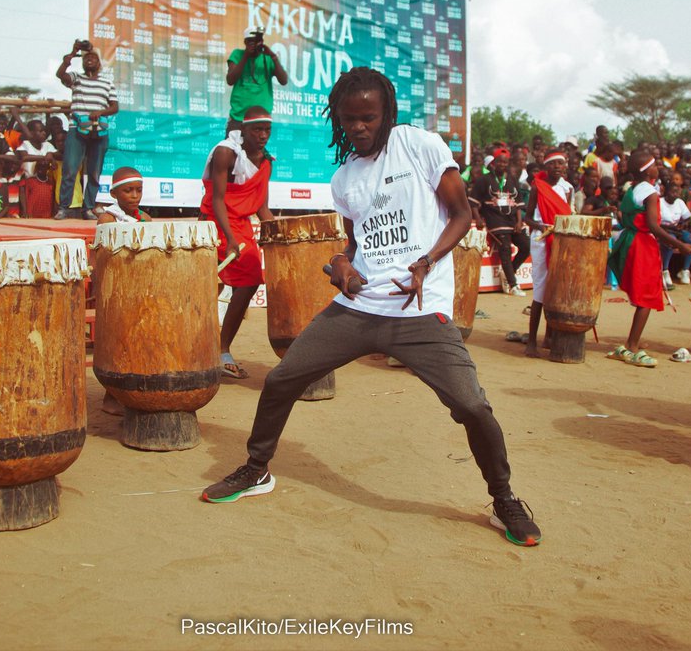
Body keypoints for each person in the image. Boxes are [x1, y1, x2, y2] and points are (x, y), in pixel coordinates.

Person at [200, 67, 542, 547]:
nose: (359, 127)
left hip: (421, 311)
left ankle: (504, 498)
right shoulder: (344, 178)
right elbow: (356, 241)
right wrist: (340, 263)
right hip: (359, 308)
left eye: (368, 118)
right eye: (349, 120)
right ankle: (257, 469)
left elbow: (462, 214)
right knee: (281, 380)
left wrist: (426, 262)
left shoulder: (418, 145)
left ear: (387, 115)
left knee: (471, 405)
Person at [200, 105, 274, 378]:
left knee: (251, 280)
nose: (263, 135)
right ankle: (211, 349)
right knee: (211, 285)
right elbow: (217, 199)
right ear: (243, 129)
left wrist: (280, 233)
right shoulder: (225, 152)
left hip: (240, 225)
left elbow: (262, 208)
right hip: (215, 221)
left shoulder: (266, 161)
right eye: (257, 129)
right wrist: (229, 239)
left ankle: (220, 348)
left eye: (267, 129)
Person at [606, 149, 691, 368]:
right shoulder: (650, 192)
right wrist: (679, 244)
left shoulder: (633, 189)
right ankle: (632, 346)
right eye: (655, 164)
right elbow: (654, 225)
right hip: (642, 244)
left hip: (631, 241)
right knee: (646, 296)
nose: (659, 167)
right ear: (647, 170)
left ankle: (631, 343)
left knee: (642, 295)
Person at [55, 40, 119, 219]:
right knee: (70, 169)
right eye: (86, 58)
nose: (89, 60)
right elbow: (60, 74)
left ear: (99, 63)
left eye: (93, 58)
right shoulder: (77, 78)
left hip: (98, 132)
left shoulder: (107, 83)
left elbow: (114, 107)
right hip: (77, 129)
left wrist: (100, 112)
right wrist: (73, 52)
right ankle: (63, 208)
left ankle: (88, 208)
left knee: (94, 171)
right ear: (82, 62)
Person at [524, 151, 573, 358]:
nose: (558, 167)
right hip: (542, 239)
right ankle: (532, 341)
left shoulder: (568, 188)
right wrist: (542, 226)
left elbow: (568, 214)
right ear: (547, 167)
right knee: (541, 289)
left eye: (561, 164)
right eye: (553, 164)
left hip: (561, 239)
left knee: (557, 287)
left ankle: (549, 336)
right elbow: (528, 217)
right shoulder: (537, 187)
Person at [473, 147, 528, 296]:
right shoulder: (484, 180)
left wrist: (519, 221)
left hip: (512, 221)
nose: (502, 165)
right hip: (495, 220)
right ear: (493, 163)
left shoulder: (512, 180)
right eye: (499, 162)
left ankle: (510, 272)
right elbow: (473, 201)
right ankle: (513, 285)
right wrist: (477, 218)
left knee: (526, 245)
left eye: (505, 162)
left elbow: (518, 203)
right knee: (505, 248)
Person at [226, 27, 288, 130]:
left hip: (261, 118)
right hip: (239, 118)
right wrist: (246, 55)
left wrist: (273, 57)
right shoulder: (237, 54)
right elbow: (230, 80)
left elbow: (284, 81)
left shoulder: (268, 58)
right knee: (231, 146)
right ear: (245, 42)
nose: (255, 44)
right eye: (252, 42)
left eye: (259, 41)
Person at [658, 179, 691, 286]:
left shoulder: (679, 203)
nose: (675, 195)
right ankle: (665, 270)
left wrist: (683, 225)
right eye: (672, 192)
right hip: (663, 231)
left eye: (677, 193)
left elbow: (687, 218)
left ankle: (685, 270)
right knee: (671, 241)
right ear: (666, 192)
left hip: (677, 229)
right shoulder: (659, 202)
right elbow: (656, 222)